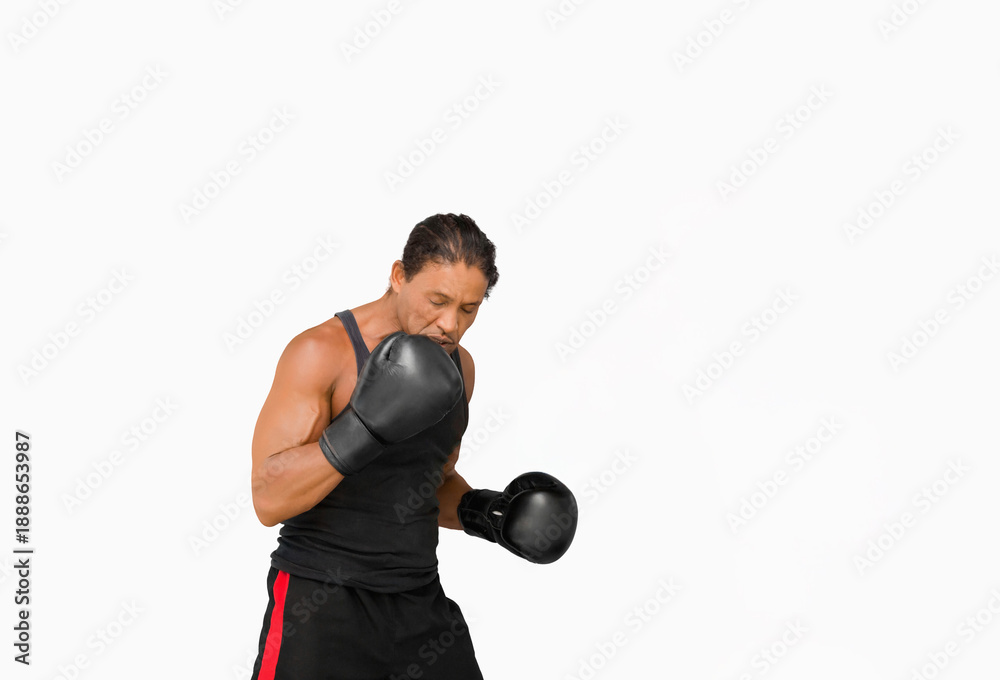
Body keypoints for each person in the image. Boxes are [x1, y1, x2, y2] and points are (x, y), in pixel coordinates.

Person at [248, 213, 578, 680]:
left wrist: (490, 514)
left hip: (418, 602)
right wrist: (363, 427)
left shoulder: (459, 368)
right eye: (438, 301)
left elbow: (430, 483)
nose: (450, 324)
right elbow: (269, 499)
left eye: (469, 309)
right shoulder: (322, 352)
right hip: (320, 605)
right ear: (399, 276)